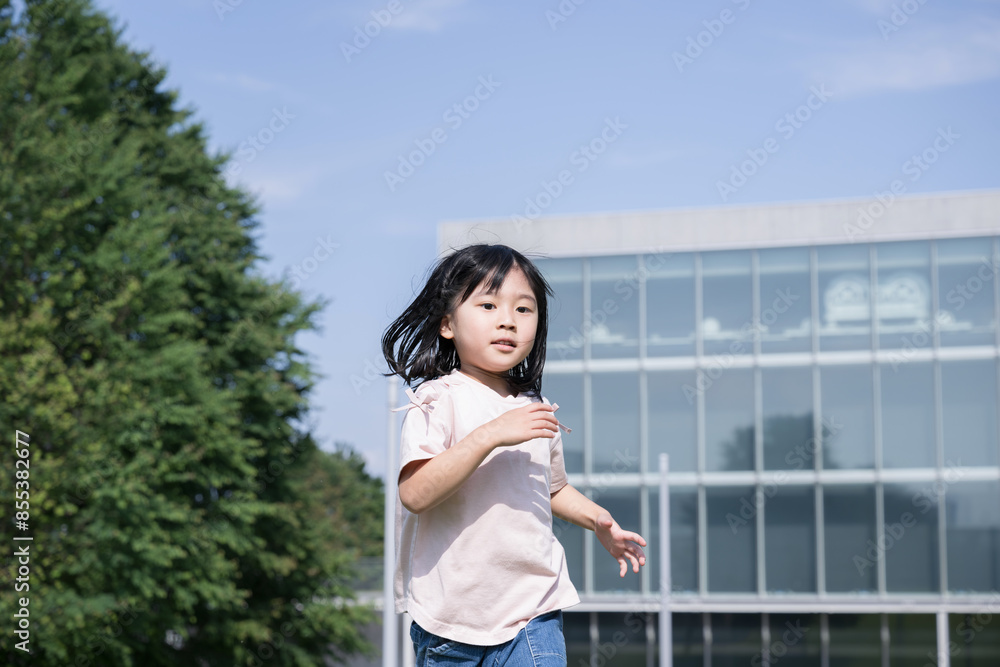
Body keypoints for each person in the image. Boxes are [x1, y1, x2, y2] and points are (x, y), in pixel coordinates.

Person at [382, 243, 647, 666]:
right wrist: (490, 435)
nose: (508, 320)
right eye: (488, 305)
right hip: (449, 618)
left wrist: (598, 519)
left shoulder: (535, 409)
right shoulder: (436, 401)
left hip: (532, 608)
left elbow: (552, 488)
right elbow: (415, 493)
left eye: (523, 309)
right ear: (447, 324)